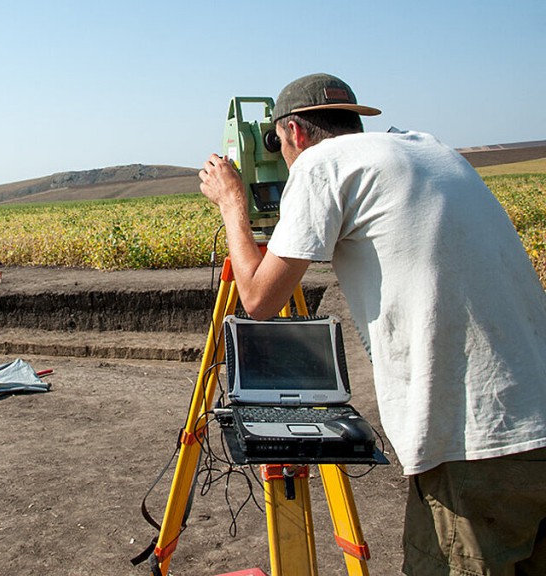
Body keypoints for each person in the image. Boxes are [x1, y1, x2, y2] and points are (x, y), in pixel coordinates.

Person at [198, 73, 546, 575]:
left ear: (292, 133)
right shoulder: (429, 149)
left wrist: (233, 201)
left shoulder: (321, 164)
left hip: (478, 443)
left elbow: (256, 298)